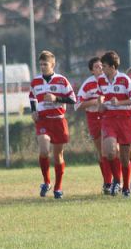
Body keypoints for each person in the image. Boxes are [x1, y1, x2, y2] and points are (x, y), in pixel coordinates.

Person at [29, 50, 76, 199]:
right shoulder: (36, 81)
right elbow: (32, 97)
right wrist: (33, 111)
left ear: (53, 65)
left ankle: (58, 187)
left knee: (58, 156)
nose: (43, 67)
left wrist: (56, 98)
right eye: (41, 64)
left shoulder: (62, 81)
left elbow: (73, 99)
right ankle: (46, 181)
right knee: (43, 149)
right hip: (43, 119)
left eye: (45, 64)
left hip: (58, 119)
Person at [97, 51, 131, 197]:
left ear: (113, 66)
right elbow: (100, 96)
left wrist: (120, 102)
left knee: (124, 157)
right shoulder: (101, 80)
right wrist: (101, 105)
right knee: (109, 152)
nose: (102, 69)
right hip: (108, 119)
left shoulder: (125, 79)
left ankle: (126, 187)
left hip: (124, 119)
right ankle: (116, 180)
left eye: (104, 66)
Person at [75, 57, 113, 194]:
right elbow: (78, 104)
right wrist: (94, 102)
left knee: (108, 150)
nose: (100, 69)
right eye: (97, 67)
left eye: (102, 66)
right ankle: (107, 181)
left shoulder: (110, 81)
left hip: (108, 116)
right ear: (92, 70)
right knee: (101, 152)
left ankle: (112, 182)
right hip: (93, 118)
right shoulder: (87, 84)